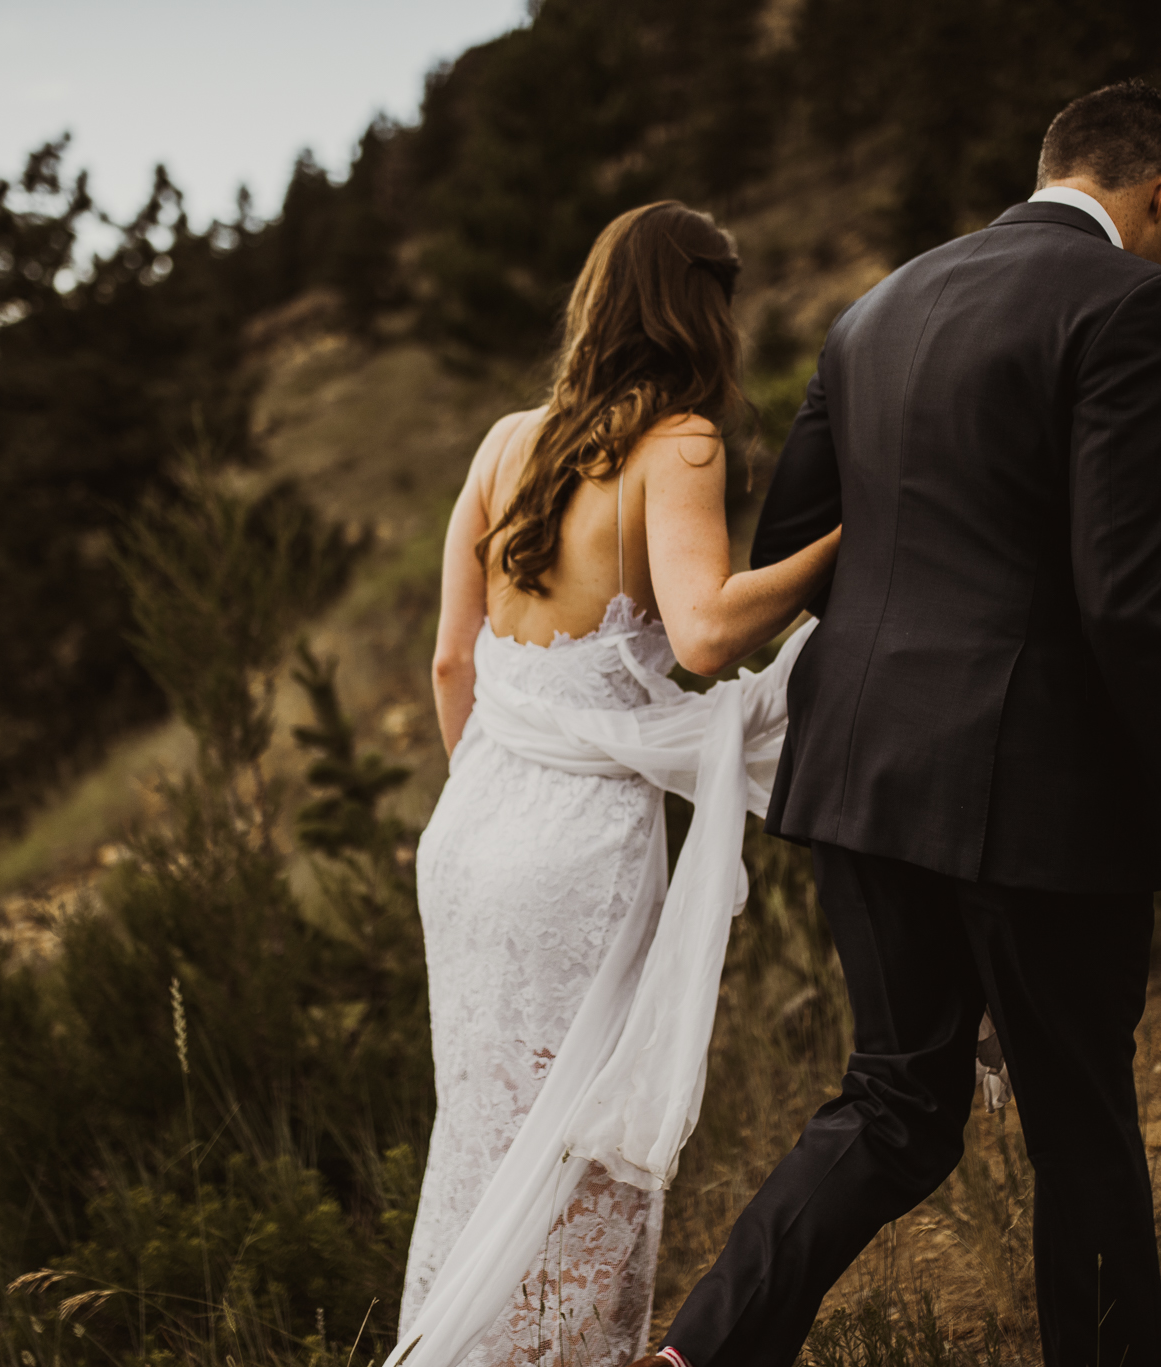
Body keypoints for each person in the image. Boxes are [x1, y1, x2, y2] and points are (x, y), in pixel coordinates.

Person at [634, 80, 1161, 1367]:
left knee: (892, 1100)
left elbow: (797, 550)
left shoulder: (871, 310)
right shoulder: (1137, 304)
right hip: (1037, 794)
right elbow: (1136, 601)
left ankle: (694, 1357)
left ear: (1047, 166)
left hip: (857, 774)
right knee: (1080, 1130)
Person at [394, 201, 841, 1367]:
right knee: (578, 1151)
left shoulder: (504, 442)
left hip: (470, 829)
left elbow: (452, 661)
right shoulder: (680, 443)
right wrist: (845, 542)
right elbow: (702, 636)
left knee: (484, 1137)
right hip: (577, 853)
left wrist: (502, 791)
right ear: (700, 307)